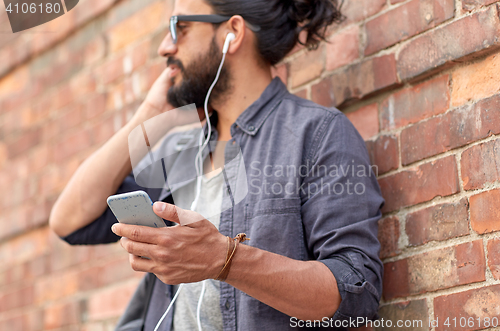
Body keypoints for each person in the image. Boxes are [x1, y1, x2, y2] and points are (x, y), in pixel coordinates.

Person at [49, 0, 385, 330]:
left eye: (179, 28)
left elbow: (356, 292)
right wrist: (152, 111)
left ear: (233, 32)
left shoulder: (317, 134)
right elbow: (70, 222)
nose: (165, 47)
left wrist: (224, 259)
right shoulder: (181, 152)